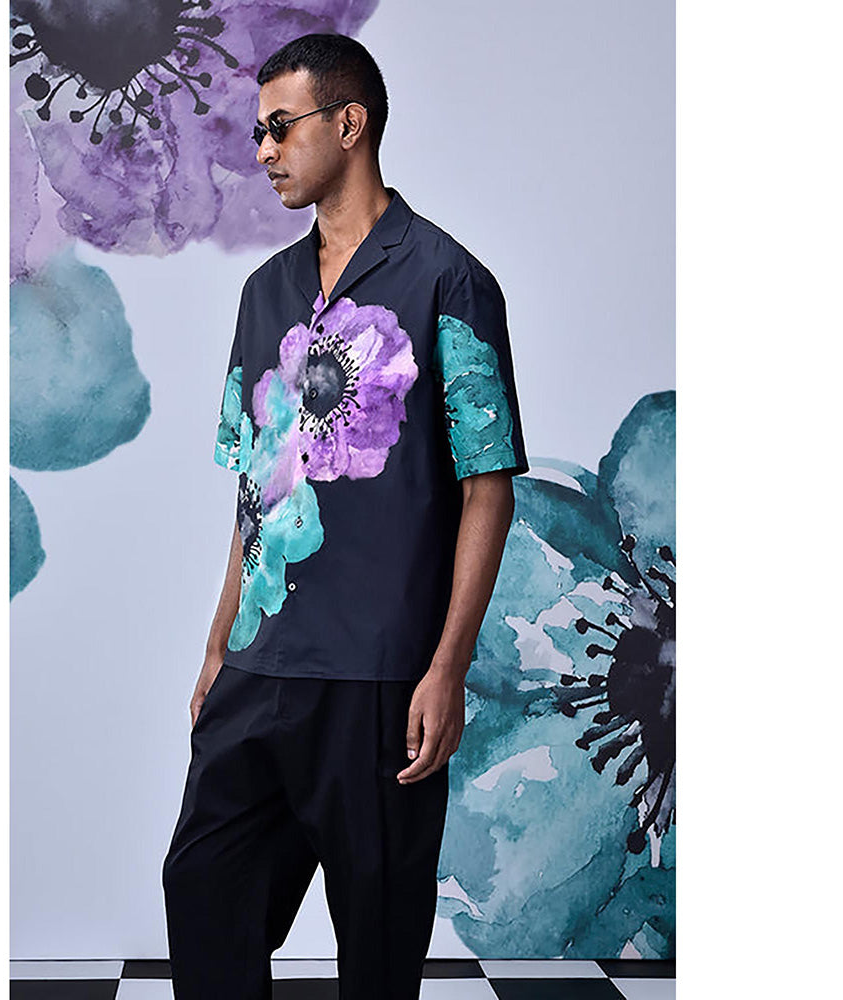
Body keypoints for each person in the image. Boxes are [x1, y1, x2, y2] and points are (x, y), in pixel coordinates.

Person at [162, 32, 529, 1000]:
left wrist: (445, 668)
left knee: (376, 942)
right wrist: (218, 646)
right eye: (257, 132)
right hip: (261, 664)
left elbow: (486, 484)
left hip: (379, 676)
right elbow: (256, 485)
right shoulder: (264, 292)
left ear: (350, 123)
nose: (263, 151)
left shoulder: (448, 279)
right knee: (205, 895)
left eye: (280, 128)